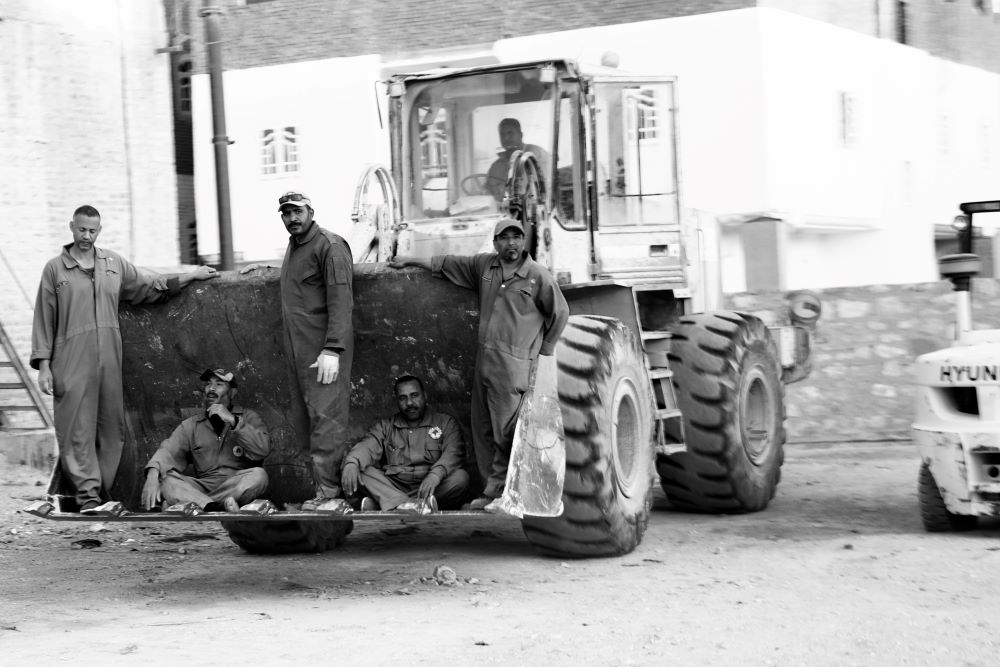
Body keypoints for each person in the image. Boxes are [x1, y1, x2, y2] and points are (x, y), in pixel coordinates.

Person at [30, 204, 218, 512]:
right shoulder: (55, 269)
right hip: (70, 360)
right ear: (71, 227)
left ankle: (99, 494)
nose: (86, 236)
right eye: (81, 229)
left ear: (99, 231)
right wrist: (44, 367)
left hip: (109, 360)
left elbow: (149, 286)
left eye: (92, 231)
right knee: (76, 429)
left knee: (111, 429)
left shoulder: (113, 264)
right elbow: (43, 318)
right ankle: (88, 497)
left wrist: (190, 276)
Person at [389, 218, 569, 509]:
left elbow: (560, 313)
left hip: (513, 368)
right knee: (482, 430)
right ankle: (490, 492)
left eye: (516, 237)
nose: (511, 243)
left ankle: (505, 494)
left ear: (523, 241)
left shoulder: (537, 275)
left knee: (505, 433)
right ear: (495, 243)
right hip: (484, 364)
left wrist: (544, 351)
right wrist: (409, 260)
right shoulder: (486, 266)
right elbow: (447, 263)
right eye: (504, 238)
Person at [274, 191, 354, 511]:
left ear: (311, 211)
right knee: (306, 423)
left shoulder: (330, 246)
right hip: (299, 353)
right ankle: (320, 491)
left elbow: (341, 300)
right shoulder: (294, 246)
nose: (292, 218)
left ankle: (330, 494)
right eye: (286, 213)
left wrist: (333, 349)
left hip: (324, 353)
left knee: (326, 422)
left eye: (298, 211)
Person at [141, 368, 270, 512]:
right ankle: (214, 506)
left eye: (219, 384)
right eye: (208, 384)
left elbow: (262, 450)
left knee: (259, 476)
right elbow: (168, 450)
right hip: (201, 488)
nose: (211, 389)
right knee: (165, 480)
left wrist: (234, 421)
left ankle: (192, 504)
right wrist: (152, 474)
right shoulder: (192, 425)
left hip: (234, 486)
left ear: (232, 392)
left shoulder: (249, 417)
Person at [341, 374, 470, 513]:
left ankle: (388, 504)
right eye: (403, 398)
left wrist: (435, 475)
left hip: (431, 487)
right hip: (392, 486)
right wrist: (352, 462)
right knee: (358, 469)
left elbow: (453, 453)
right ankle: (412, 505)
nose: (409, 403)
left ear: (425, 396)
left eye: (414, 395)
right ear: (397, 401)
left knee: (460, 478)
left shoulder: (445, 423)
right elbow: (366, 447)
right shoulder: (386, 426)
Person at [485, 118, 551, 200]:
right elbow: (487, 194)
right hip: (502, 207)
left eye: (510, 133)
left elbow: (548, 187)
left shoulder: (537, 154)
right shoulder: (496, 166)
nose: (506, 138)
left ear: (521, 135)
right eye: (502, 134)